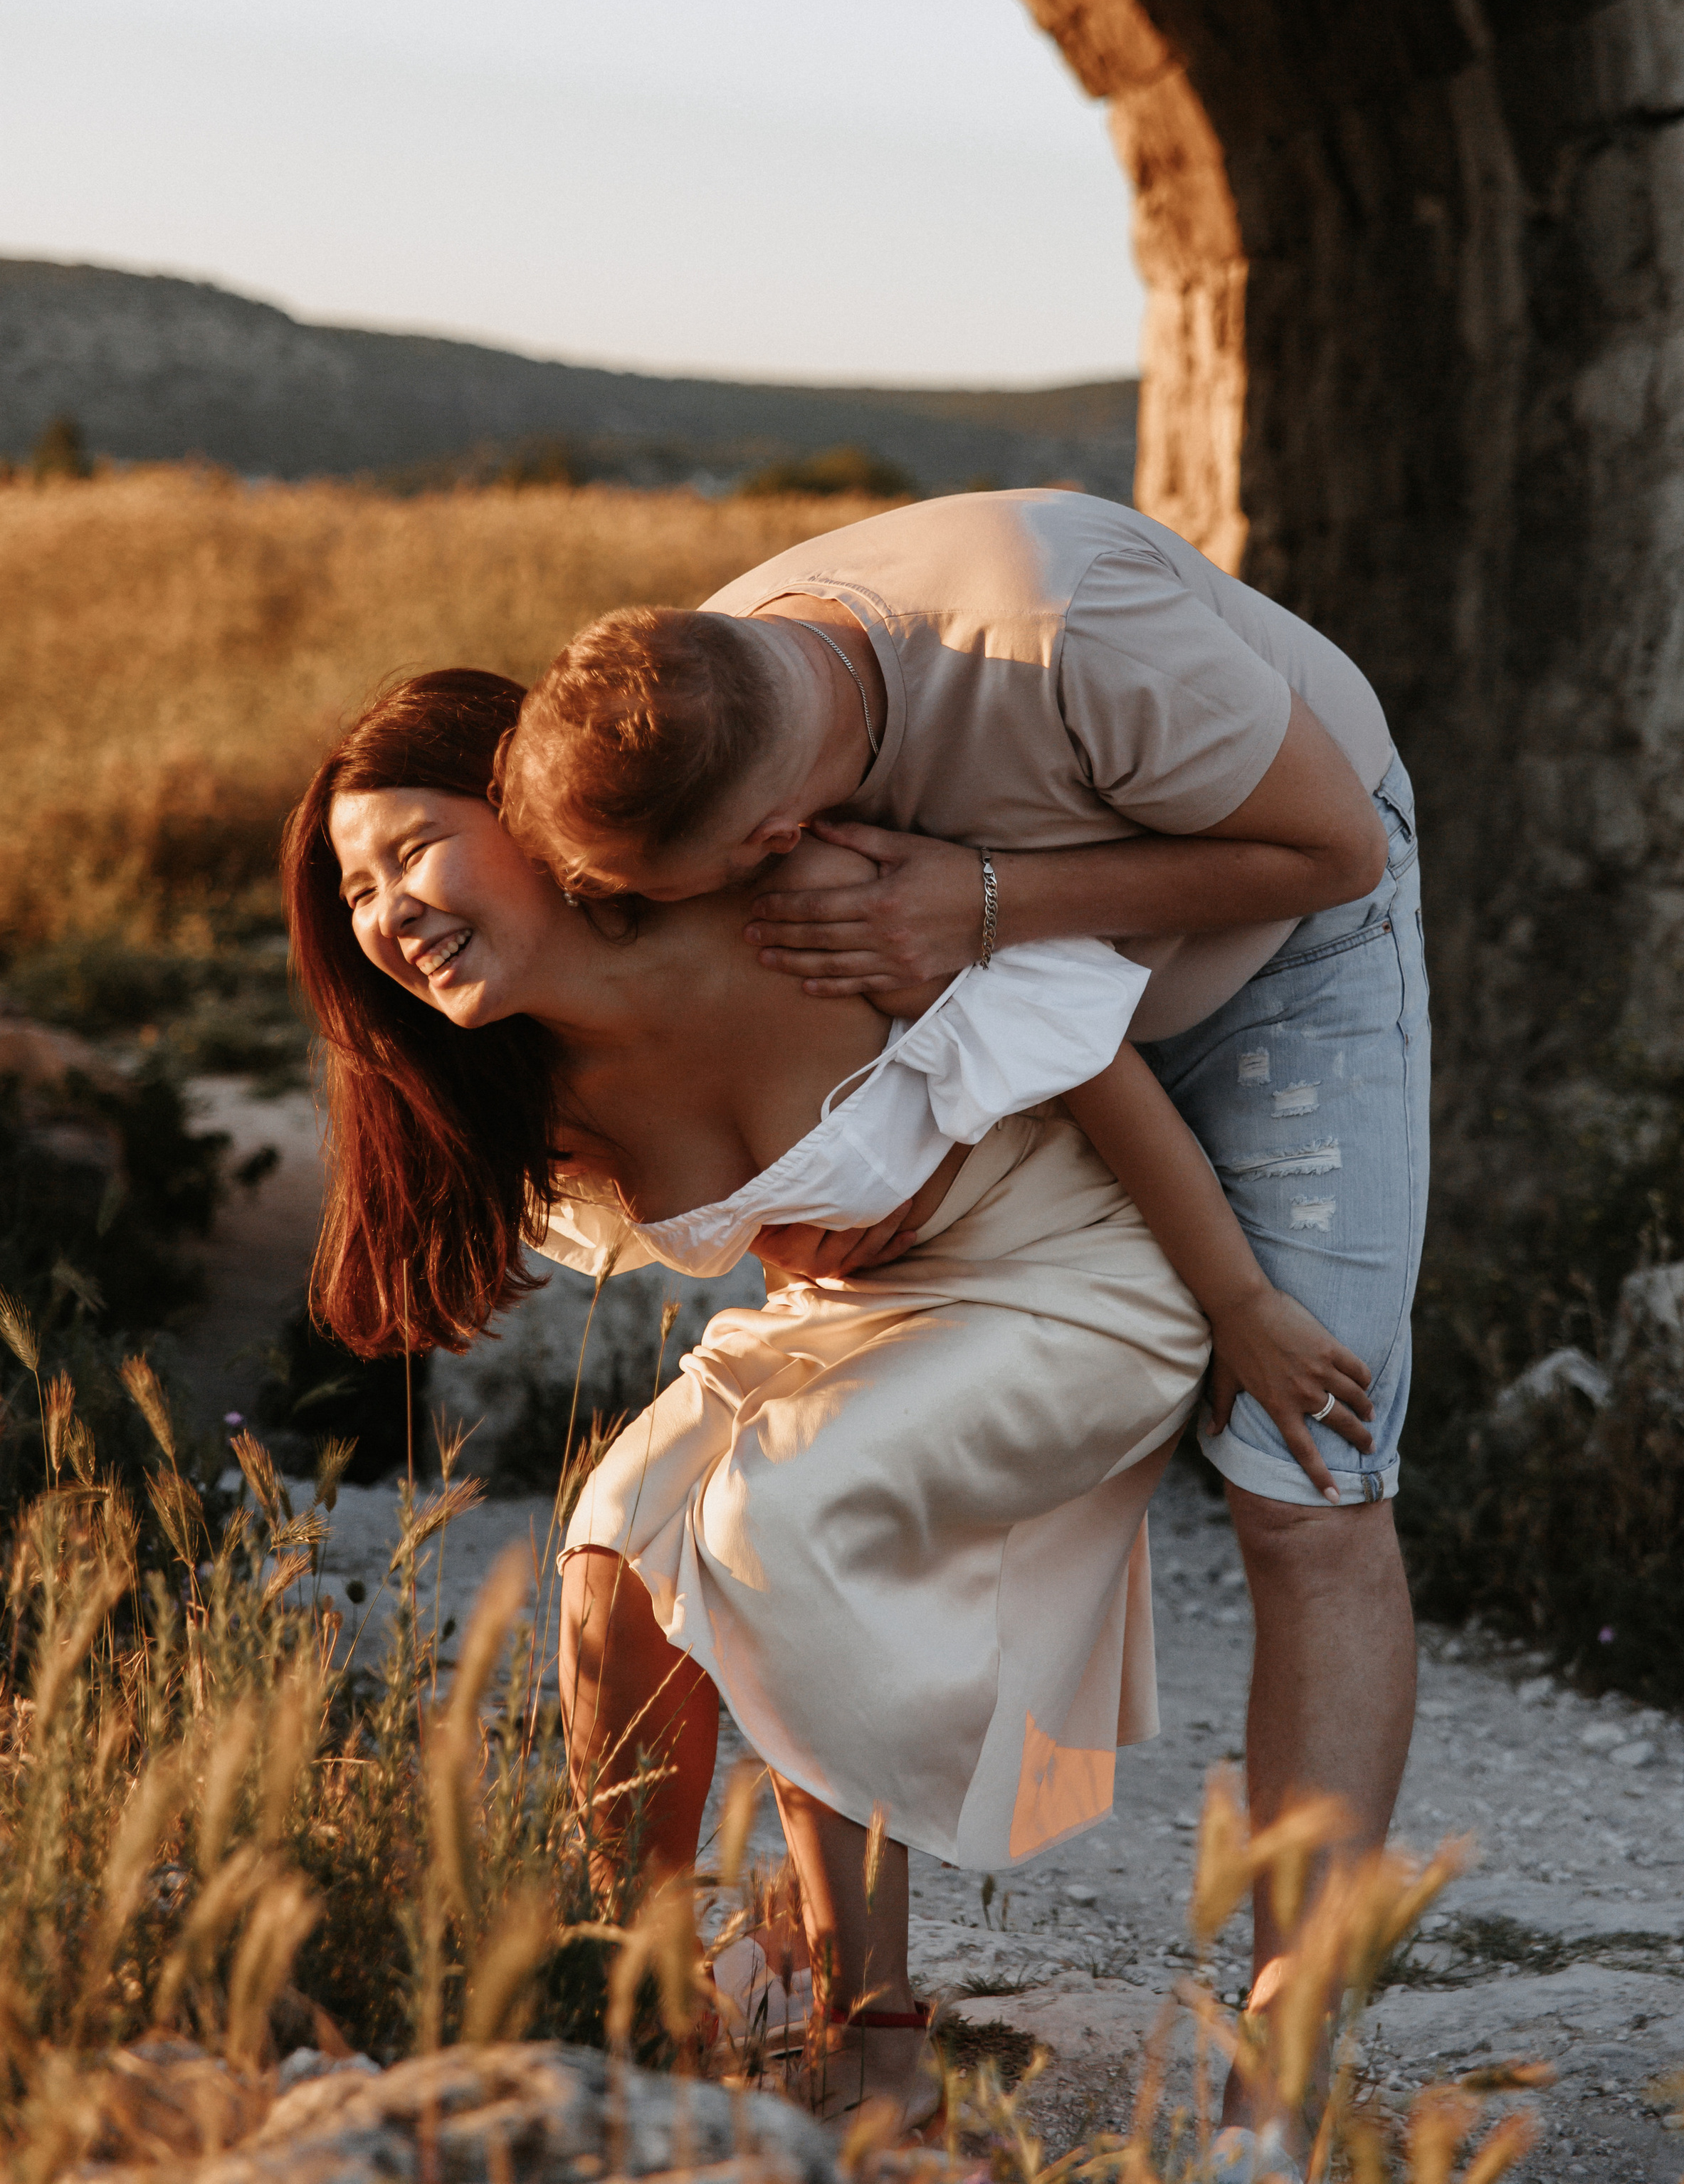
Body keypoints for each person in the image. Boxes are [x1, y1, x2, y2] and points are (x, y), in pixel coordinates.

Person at [283, 668, 1375, 2131]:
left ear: (528, 810)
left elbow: (1093, 1064)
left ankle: (875, 2041)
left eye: (413, 849)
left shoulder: (777, 910)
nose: (389, 913)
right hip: (857, 1315)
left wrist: (1242, 1303)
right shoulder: (518, 1088)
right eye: (356, 891)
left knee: (774, 1522)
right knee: (615, 1530)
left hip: (1076, 1279)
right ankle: (644, 1988)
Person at [495, 488, 1430, 2116]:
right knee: (767, 1503)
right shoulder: (714, 690)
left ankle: (1277, 2086)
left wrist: (979, 901)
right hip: (1020, 992)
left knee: (1307, 1479)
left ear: (767, 838)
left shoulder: (1056, 631)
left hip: (1280, 956)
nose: (632, 923)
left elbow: (1330, 842)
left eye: (652, 895)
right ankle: (815, 2002)